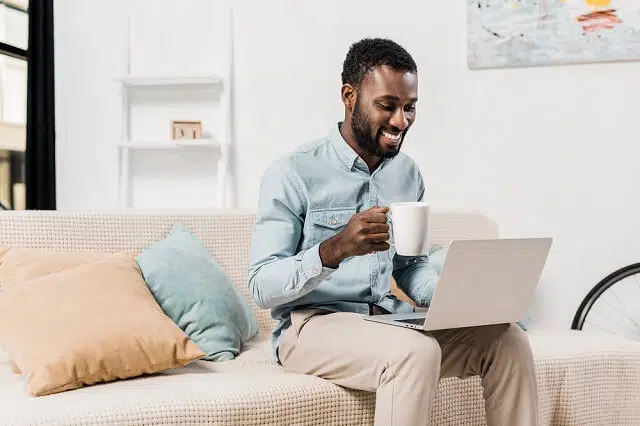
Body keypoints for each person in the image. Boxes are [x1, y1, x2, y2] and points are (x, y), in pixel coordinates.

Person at [248, 37, 538, 426]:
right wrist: (335, 249)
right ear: (349, 96)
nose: (401, 121)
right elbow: (262, 285)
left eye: (409, 107)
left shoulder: (407, 173)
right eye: (387, 106)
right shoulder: (292, 173)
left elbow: (410, 265)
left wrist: (460, 301)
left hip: (386, 319)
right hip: (311, 326)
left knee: (507, 341)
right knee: (414, 353)